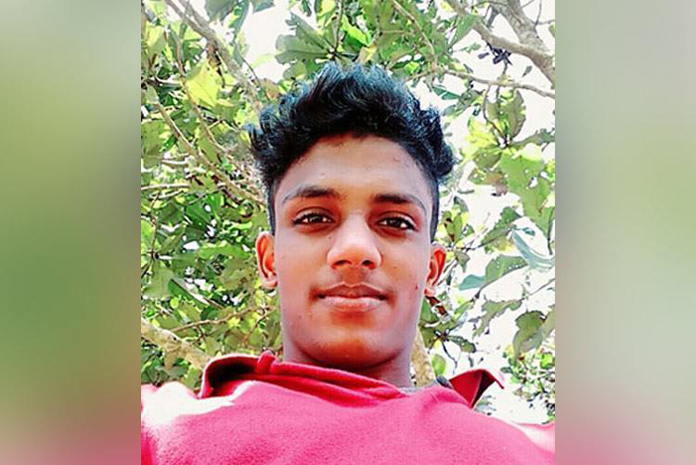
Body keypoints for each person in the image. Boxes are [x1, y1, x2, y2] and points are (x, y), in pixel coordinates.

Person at [141, 63, 554, 464]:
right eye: (314, 218)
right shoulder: (154, 429)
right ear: (269, 261)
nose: (355, 249)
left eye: (395, 222)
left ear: (432, 268)